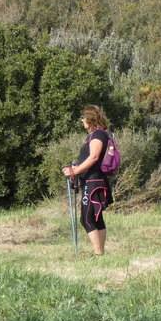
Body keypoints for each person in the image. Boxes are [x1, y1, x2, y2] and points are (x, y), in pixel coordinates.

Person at [62, 106, 113, 256]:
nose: (81, 120)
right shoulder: (97, 134)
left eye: (83, 117)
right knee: (96, 218)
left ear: (90, 119)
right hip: (93, 180)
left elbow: (94, 157)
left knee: (87, 219)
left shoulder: (98, 135)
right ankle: (101, 254)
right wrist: (75, 167)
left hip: (93, 181)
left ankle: (98, 254)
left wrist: (75, 171)